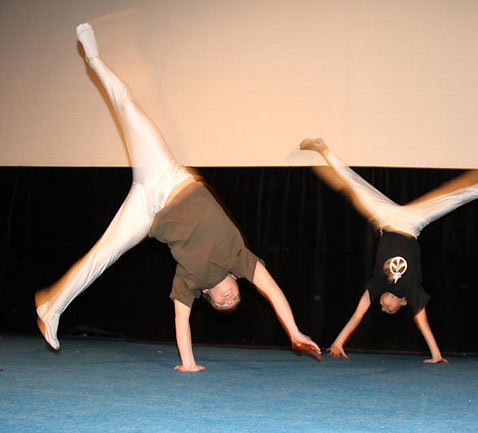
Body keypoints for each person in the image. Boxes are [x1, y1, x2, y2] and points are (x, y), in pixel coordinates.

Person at [34, 23, 321, 371]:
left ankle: (50, 307)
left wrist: (188, 363)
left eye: (222, 305)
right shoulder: (238, 258)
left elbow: (181, 322)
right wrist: (294, 331)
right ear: (235, 279)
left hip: (148, 211)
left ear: (206, 295)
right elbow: (273, 291)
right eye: (235, 297)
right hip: (166, 176)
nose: (229, 299)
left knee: (104, 254)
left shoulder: (189, 281)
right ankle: (93, 57)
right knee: (129, 106)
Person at [300, 138, 478, 364]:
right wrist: (436, 354)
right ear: (402, 303)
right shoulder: (411, 291)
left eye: (382, 309)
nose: (382, 308)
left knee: (355, 185)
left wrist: (339, 342)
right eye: (388, 311)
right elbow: (424, 325)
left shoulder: (376, 286)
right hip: (413, 223)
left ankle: (323, 149)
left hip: (386, 220)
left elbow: (357, 315)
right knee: (458, 197)